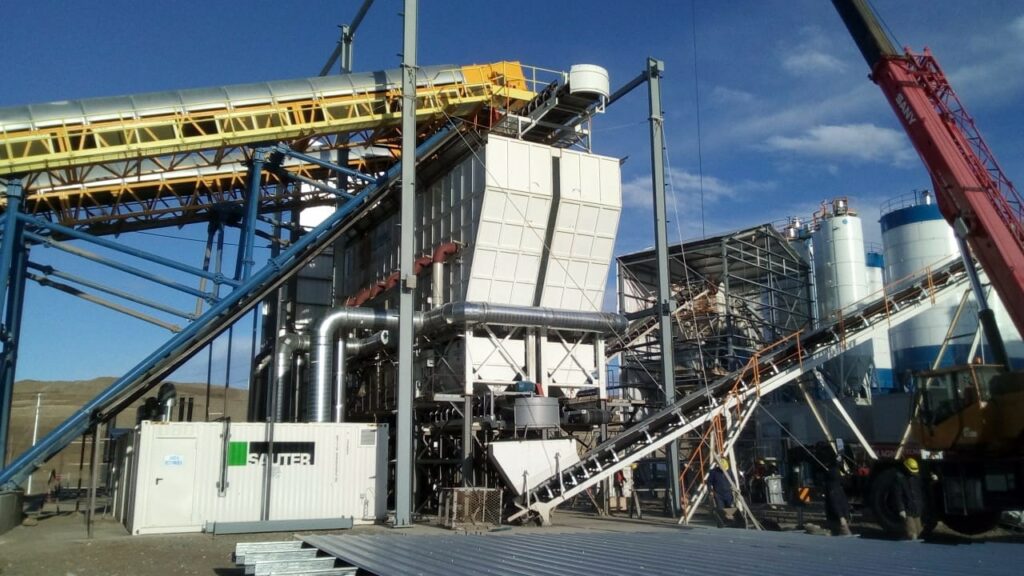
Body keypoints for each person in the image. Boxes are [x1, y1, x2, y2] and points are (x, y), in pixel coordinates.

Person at [896, 457, 924, 540]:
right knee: (913, 534)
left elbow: (923, 488)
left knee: (919, 532)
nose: (913, 473)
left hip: (916, 509)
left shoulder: (917, 478)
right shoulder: (900, 479)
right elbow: (898, 495)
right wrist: (901, 509)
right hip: (907, 510)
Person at [823, 461, 852, 536]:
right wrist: (842, 517)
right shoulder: (837, 486)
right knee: (838, 502)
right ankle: (841, 526)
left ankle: (839, 526)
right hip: (836, 486)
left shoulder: (832, 484)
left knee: (836, 502)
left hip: (833, 485)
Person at [707, 459, 735, 527]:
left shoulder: (729, 471)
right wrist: (710, 491)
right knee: (720, 509)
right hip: (718, 494)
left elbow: (733, 481)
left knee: (729, 508)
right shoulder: (713, 472)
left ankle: (730, 523)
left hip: (728, 493)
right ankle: (721, 525)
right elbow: (709, 482)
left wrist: (734, 488)